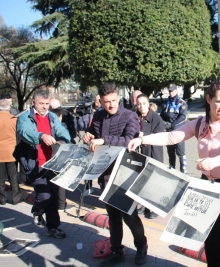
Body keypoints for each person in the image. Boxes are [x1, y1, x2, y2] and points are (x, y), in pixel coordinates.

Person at [128, 81, 220, 267]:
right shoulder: (199, 123)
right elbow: (171, 137)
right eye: (219, 101)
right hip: (209, 184)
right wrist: (142, 139)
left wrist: (215, 161)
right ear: (209, 99)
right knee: (210, 236)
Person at [82, 83, 148, 267]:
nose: (110, 105)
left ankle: (141, 246)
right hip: (104, 174)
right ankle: (117, 250)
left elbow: (129, 140)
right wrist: (87, 136)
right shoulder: (97, 115)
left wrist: (103, 140)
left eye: (113, 101)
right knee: (113, 217)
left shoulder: (130, 116)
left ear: (118, 98)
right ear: (100, 102)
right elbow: (93, 134)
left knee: (130, 216)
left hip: (125, 173)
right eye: (106, 102)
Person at [16, 89, 71, 239]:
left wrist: (66, 142)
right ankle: (37, 211)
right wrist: (41, 136)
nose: (45, 107)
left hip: (52, 164)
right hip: (35, 164)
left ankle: (53, 228)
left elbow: (62, 131)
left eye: (47, 104)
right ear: (33, 103)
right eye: (41, 104)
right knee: (44, 194)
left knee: (53, 197)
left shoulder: (52, 116)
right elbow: (25, 132)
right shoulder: (25, 118)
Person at [136, 94, 164, 219]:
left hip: (153, 152)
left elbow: (160, 136)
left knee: (153, 181)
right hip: (139, 153)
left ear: (148, 104)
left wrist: (143, 135)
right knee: (141, 179)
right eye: (139, 104)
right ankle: (142, 204)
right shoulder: (135, 117)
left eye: (144, 103)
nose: (141, 106)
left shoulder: (156, 118)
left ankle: (153, 208)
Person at [160, 84, 188, 173]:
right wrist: (164, 124)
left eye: (172, 91)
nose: (171, 92)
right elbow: (161, 116)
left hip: (178, 131)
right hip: (168, 132)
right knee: (170, 153)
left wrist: (172, 125)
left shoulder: (181, 103)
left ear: (176, 91)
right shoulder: (165, 103)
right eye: (169, 91)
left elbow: (183, 117)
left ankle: (183, 171)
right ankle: (172, 170)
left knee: (181, 153)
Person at [0, 99, 21, 205]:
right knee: (13, 177)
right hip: (11, 151)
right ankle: (15, 198)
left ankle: (2, 199)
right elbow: (18, 135)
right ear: (9, 108)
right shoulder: (14, 119)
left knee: (1, 178)